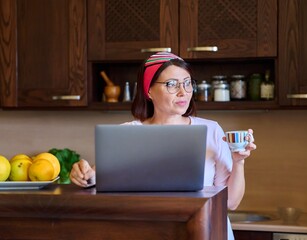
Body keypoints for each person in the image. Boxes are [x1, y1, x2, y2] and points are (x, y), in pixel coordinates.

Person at [70, 52, 256, 240]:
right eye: (172, 84)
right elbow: (95, 178)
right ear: (148, 91)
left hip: (206, 231)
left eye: (187, 82)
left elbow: (231, 202)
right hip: (150, 232)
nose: (184, 92)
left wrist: (238, 162)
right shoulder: (128, 133)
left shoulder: (212, 130)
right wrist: (84, 175)